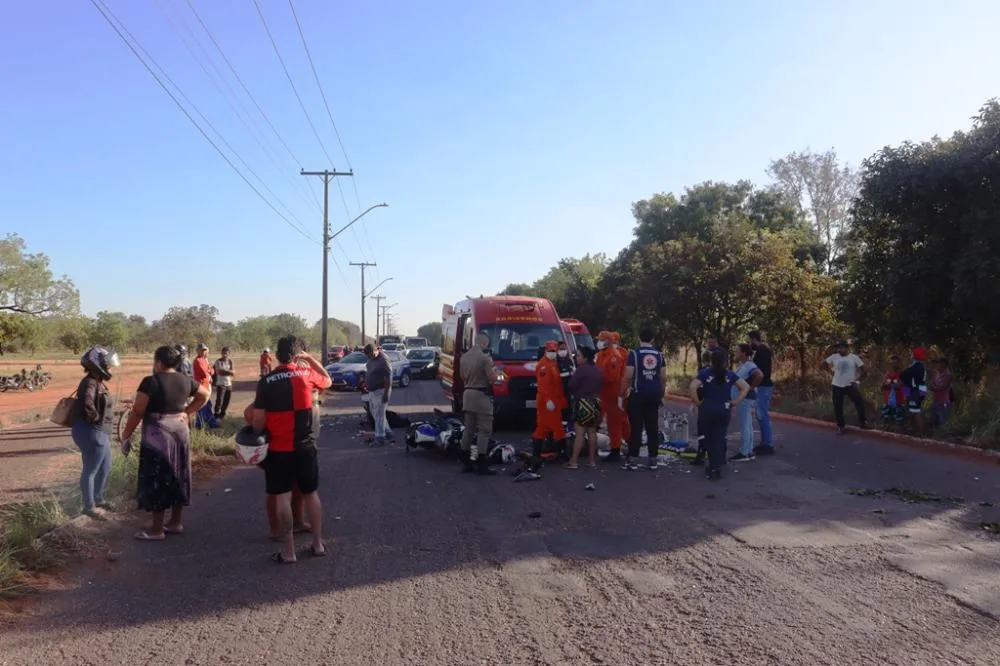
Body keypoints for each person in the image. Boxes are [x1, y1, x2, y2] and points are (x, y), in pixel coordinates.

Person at [252, 335, 332, 563]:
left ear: (277, 355)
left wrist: (258, 439)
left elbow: (258, 420)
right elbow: (327, 380)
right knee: (311, 494)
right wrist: (311, 359)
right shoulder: (307, 375)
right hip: (306, 447)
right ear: (298, 355)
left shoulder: (267, 381)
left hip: (278, 449)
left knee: (282, 497)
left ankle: (289, 550)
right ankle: (317, 544)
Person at [121, 345, 210, 541]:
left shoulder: (150, 382)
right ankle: (176, 522)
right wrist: (187, 412)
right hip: (180, 432)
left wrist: (126, 435)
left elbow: (137, 411)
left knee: (157, 477)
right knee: (179, 473)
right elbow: (205, 394)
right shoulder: (186, 380)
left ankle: (156, 529)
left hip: (157, 436)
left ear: (158, 363)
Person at [243, 401, 311, 538]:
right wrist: (260, 436)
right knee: (276, 491)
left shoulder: (303, 385)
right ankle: (276, 529)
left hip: (300, 444)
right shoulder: (275, 385)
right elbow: (249, 413)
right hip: (277, 447)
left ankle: (298, 521)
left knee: (298, 486)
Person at [71, 345, 120, 517]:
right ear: (98, 365)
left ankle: (98, 499)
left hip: (99, 432)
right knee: (91, 469)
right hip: (91, 432)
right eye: (108, 365)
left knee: (105, 466)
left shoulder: (97, 381)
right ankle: (89, 506)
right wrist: (96, 421)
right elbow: (87, 404)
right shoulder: (91, 382)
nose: (110, 368)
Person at [689, 349, 750, 480]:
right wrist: (735, 402)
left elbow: (693, 387)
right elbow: (745, 387)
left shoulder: (705, 373)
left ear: (712, 361)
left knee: (710, 438)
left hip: (708, 409)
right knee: (720, 437)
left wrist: (698, 402)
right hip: (724, 409)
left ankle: (712, 466)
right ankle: (717, 465)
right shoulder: (730, 375)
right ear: (725, 361)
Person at [621, 328, 667, 471]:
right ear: (652, 340)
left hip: (638, 394)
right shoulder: (659, 355)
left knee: (636, 427)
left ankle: (632, 459)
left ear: (639, 338)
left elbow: (628, 376)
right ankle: (653, 459)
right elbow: (663, 377)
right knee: (652, 427)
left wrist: (622, 393)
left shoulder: (634, 354)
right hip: (653, 394)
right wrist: (661, 394)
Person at [459, 332, 500, 475]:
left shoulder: (464, 357)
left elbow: (462, 376)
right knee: (484, 430)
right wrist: (496, 371)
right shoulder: (485, 358)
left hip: (467, 394)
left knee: (469, 429)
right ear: (484, 343)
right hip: (481, 396)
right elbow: (492, 379)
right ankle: (482, 464)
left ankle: (465, 462)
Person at [563, 345, 603, 469]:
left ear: (585, 357)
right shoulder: (597, 369)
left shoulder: (581, 370)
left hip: (582, 404)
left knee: (580, 434)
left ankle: (574, 461)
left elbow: (571, 385)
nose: (576, 357)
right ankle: (592, 461)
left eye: (579, 355)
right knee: (592, 433)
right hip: (595, 403)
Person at [531, 340, 568, 461]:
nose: (552, 353)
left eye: (554, 351)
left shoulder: (553, 363)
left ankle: (538, 454)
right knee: (554, 427)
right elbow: (543, 385)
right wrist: (548, 400)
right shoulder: (544, 365)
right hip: (548, 401)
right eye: (550, 351)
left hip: (553, 401)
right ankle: (562, 454)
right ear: (545, 351)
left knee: (545, 427)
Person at [822, 340, 869, 434]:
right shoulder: (834, 357)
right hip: (837, 385)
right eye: (839, 348)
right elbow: (823, 364)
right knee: (838, 406)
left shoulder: (854, 358)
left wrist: (858, 380)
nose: (840, 349)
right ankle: (841, 426)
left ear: (847, 348)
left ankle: (863, 423)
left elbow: (864, 370)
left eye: (842, 347)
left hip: (850, 385)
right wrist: (831, 372)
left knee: (859, 402)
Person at [730, 344, 763, 462]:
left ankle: (744, 452)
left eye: (737, 351)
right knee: (747, 424)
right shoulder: (742, 365)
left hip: (745, 398)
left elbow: (759, 375)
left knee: (744, 424)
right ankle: (748, 451)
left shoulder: (749, 365)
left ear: (743, 353)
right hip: (744, 398)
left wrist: (749, 387)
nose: (735, 353)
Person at [595, 331, 625, 461]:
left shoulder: (614, 356)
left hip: (613, 393)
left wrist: (597, 377)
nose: (599, 342)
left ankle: (616, 450)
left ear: (608, 341)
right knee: (599, 420)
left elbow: (612, 377)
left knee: (614, 423)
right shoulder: (602, 354)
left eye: (601, 340)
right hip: (603, 393)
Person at [748, 330, 775, 456]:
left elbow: (760, 370)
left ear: (754, 339)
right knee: (760, 415)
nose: (749, 343)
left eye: (749, 340)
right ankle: (765, 443)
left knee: (762, 414)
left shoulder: (762, 350)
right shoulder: (763, 350)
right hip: (763, 385)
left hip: (763, 386)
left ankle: (768, 444)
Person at [364, 344, 393, 446]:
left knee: (379, 415)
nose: (370, 357)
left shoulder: (384, 360)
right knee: (374, 413)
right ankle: (388, 432)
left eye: (372, 355)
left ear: (376, 350)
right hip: (372, 391)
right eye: (368, 356)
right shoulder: (371, 359)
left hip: (381, 391)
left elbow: (388, 378)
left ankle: (380, 438)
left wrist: (386, 394)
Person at [611, 332, 632, 446]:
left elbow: (628, 373)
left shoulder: (623, 353)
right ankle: (623, 440)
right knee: (618, 417)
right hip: (615, 390)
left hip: (620, 389)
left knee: (620, 417)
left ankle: (623, 440)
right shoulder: (622, 353)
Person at [901, 347, 929, 433]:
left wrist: (906, 393)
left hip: (915, 390)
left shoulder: (915, 366)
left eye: (912, 354)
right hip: (920, 389)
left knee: (915, 411)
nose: (911, 355)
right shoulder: (921, 366)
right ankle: (914, 430)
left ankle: (920, 432)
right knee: (912, 409)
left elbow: (904, 377)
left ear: (915, 355)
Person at [928, 356, 953, 428]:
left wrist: (933, 387)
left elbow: (942, 388)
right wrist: (933, 387)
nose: (937, 365)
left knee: (943, 424)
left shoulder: (948, 375)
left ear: (944, 364)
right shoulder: (936, 375)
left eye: (939, 363)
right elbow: (931, 385)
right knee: (933, 423)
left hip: (944, 403)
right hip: (935, 402)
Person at [881, 355, 906, 423]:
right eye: (892, 363)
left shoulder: (902, 373)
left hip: (899, 402)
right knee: (887, 421)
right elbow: (881, 386)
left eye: (895, 363)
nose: (893, 364)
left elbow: (901, 386)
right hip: (888, 402)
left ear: (899, 363)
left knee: (899, 421)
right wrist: (893, 385)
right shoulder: (887, 373)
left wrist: (889, 385)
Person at [556, 340, 575, 430]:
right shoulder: (556, 361)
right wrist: (568, 373)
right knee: (561, 410)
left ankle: (569, 428)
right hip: (560, 390)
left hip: (569, 390)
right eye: (561, 349)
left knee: (569, 409)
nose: (563, 350)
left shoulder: (568, 360)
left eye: (564, 348)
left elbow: (573, 370)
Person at [213, 347, 234, 420]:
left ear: (228, 354)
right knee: (219, 400)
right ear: (221, 353)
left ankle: (222, 414)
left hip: (229, 384)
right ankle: (216, 414)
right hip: (220, 384)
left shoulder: (230, 361)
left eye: (226, 353)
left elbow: (233, 372)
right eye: (223, 353)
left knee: (227, 400)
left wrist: (226, 371)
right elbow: (219, 372)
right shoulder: (218, 361)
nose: (224, 355)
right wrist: (229, 372)